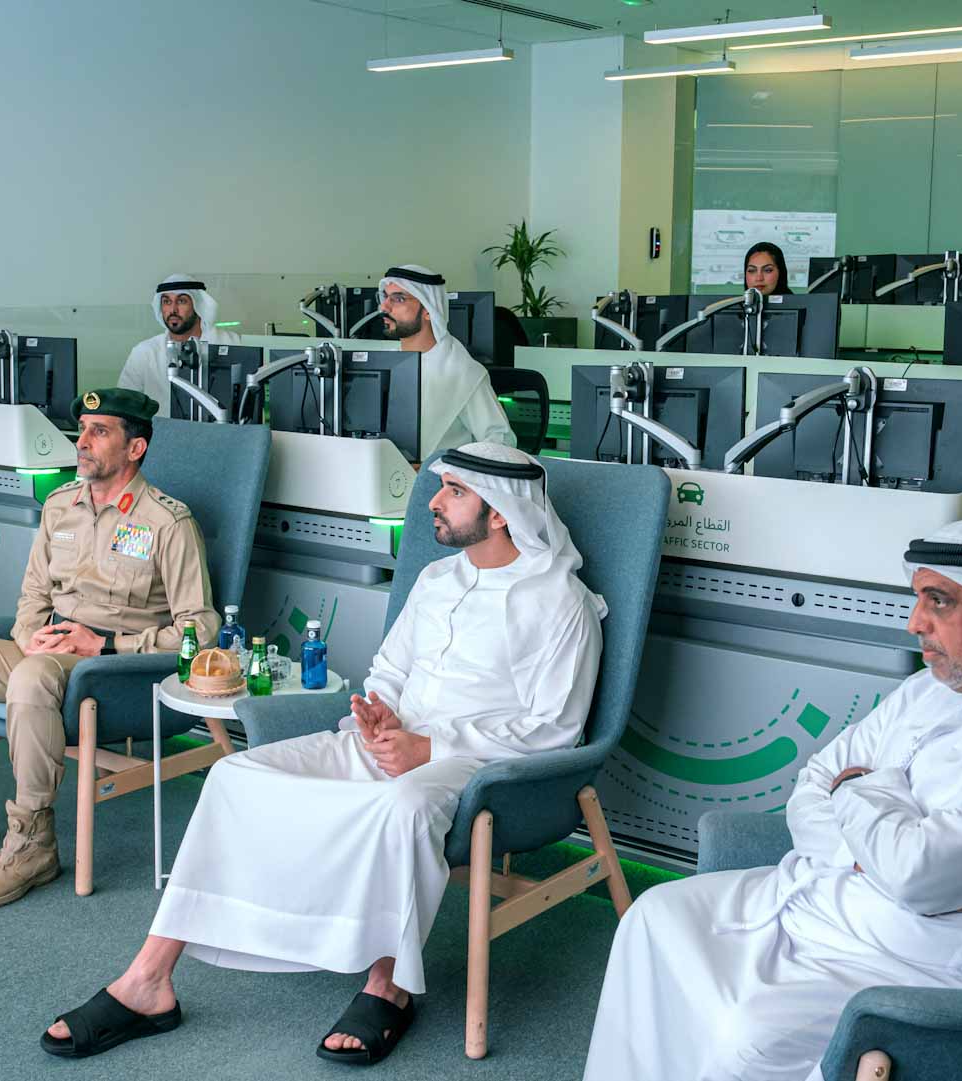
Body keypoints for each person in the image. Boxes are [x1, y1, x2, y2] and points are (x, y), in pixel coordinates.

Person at [38, 442, 603, 1065]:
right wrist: (379, 709)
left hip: (476, 765)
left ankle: (387, 986)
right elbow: (390, 668)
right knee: (234, 774)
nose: (434, 504)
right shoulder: (438, 579)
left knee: (402, 809)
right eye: (439, 488)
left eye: (453, 492)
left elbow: (556, 728)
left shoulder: (562, 603)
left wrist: (430, 746)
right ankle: (148, 980)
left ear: (500, 513)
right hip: (387, 740)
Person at [583, 517, 962, 1081]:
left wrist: (864, 789)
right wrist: (867, 856)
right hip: (829, 898)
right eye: (917, 601)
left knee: (748, 1035)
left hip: (940, 961)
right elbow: (811, 785)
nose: (915, 623)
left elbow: (919, 874)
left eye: (939, 602)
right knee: (654, 918)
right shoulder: (928, 691)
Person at [0, 388, 218, 908]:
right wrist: (28, 636)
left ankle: (33, 839)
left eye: (99, 431)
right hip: (43, 652)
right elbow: (33, 595)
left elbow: (200, 630)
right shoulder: (60, 505)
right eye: (81, 430)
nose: (82, 442)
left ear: (136, 448)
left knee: (32, 677)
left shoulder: (167, 522)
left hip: (111, 673)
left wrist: (105, 644)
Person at [376, 265, 516, 459]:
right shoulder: (381, 365)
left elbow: (501, 441)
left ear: (427, 309)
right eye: (385, 297)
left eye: (398, 299)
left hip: (438, 482)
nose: (384, 307)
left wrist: (443, 467)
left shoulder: (463, 371)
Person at [117, 274, 243, 417]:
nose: (173, 310)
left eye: (181, 301)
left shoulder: (232, 343)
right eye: (167, 302)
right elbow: (124, 406)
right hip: (160, 436)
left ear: (198, 305)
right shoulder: (144, 352)